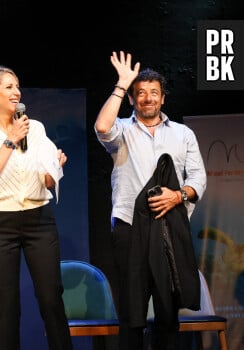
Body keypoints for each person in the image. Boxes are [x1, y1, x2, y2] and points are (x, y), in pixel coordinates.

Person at [94, 51, 207, 350]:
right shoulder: (123, 130)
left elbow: (198, 178)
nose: (147, 99)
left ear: (163, 99)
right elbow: (102, 128)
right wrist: (122, 84)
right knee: (132, 312)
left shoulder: (183, 134)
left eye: (153, 93)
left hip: (169, 227)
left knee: (168, 312)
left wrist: (177, 195)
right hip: (130, 228)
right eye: (140, 93)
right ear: (132, 99)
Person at [0, 66, 72, 350]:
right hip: (1, 222)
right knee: (6, 301)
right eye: (9, 87)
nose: (17, 92)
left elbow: (47, 181)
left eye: (17, 86)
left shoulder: (34, 127)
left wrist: (55, 168)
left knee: (51, 296)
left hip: (39, 218)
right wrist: (11, 139)